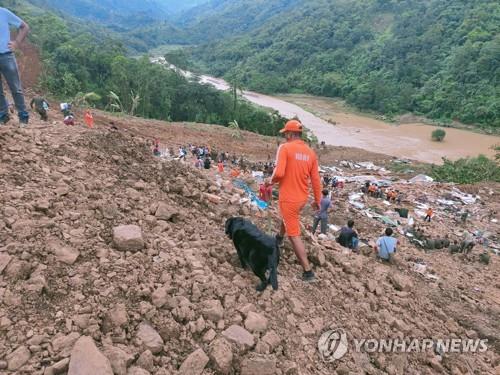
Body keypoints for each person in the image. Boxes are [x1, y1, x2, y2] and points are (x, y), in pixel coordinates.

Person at [271, 119, 322, 282]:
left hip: (288, 198)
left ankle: (307, 271)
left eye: (286, 133)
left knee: (294, 234)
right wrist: (318, 200)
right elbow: (315, 180)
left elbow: (278, 174)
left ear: (291, 133)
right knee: (288, 219)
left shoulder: (284, 148)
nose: (285, 136)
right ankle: (279, 238)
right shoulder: (310, 153)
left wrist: (268, 181)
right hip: (301, 198)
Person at [0, 7, 30, 126]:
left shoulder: (3, 12)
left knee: (15, 88)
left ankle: (23, 116)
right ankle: (3, 115)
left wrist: (16, 43)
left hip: (6, 56)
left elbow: (24, 27)